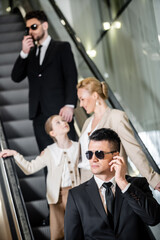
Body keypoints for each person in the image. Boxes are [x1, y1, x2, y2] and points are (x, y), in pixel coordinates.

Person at [64, 128, 160, 240]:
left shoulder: (137, 185)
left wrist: (123, 183)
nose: (93, 159)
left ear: (115, 156)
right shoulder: (76, 195)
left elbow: (153, 219)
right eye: (89, 154)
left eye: (99, 154)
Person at [0, 115, 80, 240]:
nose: (63, 122)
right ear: (52, 132)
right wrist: (15, 154)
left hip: (75, 194)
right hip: (56, 198)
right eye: (58, 122)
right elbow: (29, 168)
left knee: (77, 230)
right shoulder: (49, 151)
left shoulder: (77, 147)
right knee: (58, 233)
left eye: (63, 120)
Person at [77, 77, 160, 191]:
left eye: (82, 99)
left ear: (95, 95)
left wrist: (152, 179)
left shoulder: (116, 117)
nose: (81, 104)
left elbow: (133, 150)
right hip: (85, 182)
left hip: (108, 183)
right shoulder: (87, 122)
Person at [11, 10, 78, 152]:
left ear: (45, 25)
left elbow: (71, 77)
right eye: (28, 28)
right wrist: (24, 52)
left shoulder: (62, 47)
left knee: (71, 155)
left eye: (34, 26)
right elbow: (15, 77)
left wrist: (69, 105)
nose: (30, 31)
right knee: (48, 159)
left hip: (60, 112)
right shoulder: (30, 54)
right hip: (38, 116)